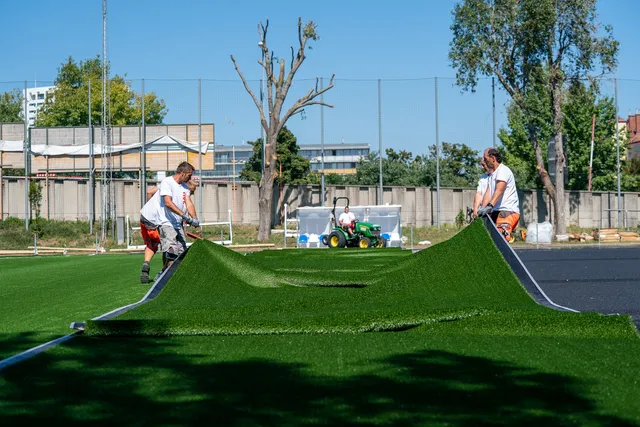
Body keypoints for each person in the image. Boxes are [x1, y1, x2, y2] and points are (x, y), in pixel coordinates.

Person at [139, 179, 199, 284]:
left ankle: (147, 262)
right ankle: (164, 271)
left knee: (153, 244)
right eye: (194, 188)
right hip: (159, 219)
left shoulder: (167, 185)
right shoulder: (180, 191)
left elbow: (149, 192)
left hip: (146, 216)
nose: (194, 190)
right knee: (168, 246)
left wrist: (151, 205)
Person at [477, 148, 520, 242]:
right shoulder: (492, 175)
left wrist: (490, 206)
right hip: (496, 211)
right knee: (486, 237)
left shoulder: (503, 170)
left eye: (485, 158)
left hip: (507, 212)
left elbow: (499, 190)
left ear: (492, 158)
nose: (484, 161)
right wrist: (482, 209)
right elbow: (488, 193)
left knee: (500, 238)